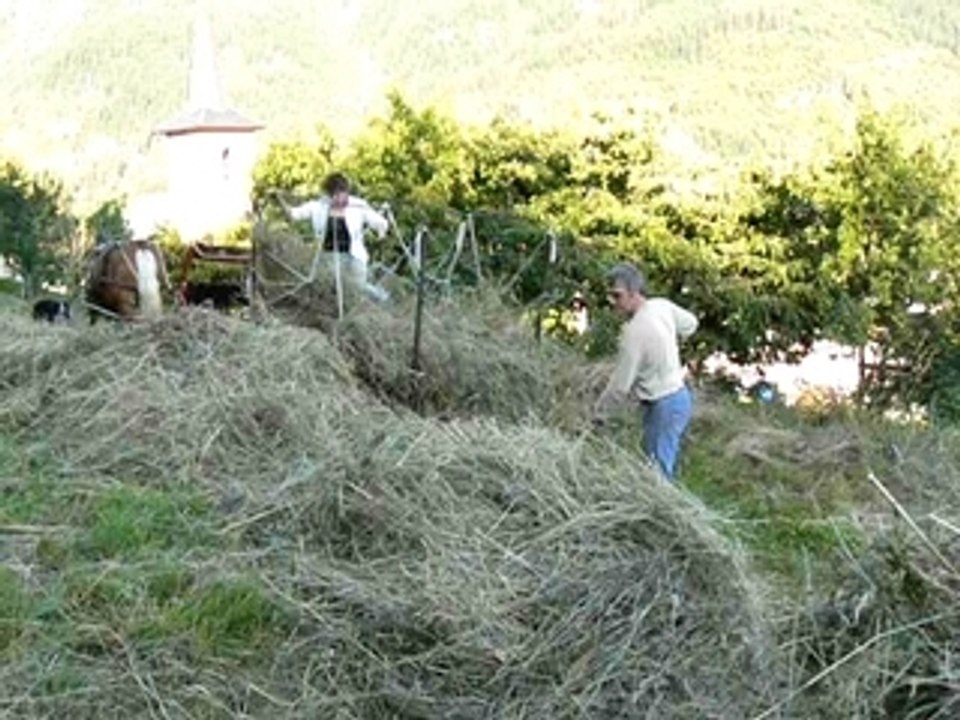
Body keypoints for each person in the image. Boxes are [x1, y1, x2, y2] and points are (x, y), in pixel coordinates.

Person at [593, 262, 698, 482]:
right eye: (611, 296)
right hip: (679, 398)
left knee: (657, 476)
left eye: (617, 296)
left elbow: (620, 386)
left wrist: (600, 415)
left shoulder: (634, 333)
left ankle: (669, 515)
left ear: (634, 292)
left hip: (664, 405)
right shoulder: (661, 306)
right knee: (656, 465)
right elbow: (690, 325)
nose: (613, 302)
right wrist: (667, 342)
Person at [276, 172, 389, 291]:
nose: (341, 199)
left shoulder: (358, 206)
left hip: (354, 257)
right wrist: (280, 200)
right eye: (336, 195)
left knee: (358, 288)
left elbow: (380, 221)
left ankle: (381, 298)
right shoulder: (318, 207)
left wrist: (381, 231)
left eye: (343, 193)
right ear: (330, 195)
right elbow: (294, 214)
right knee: (331, 289)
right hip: (329, 258)